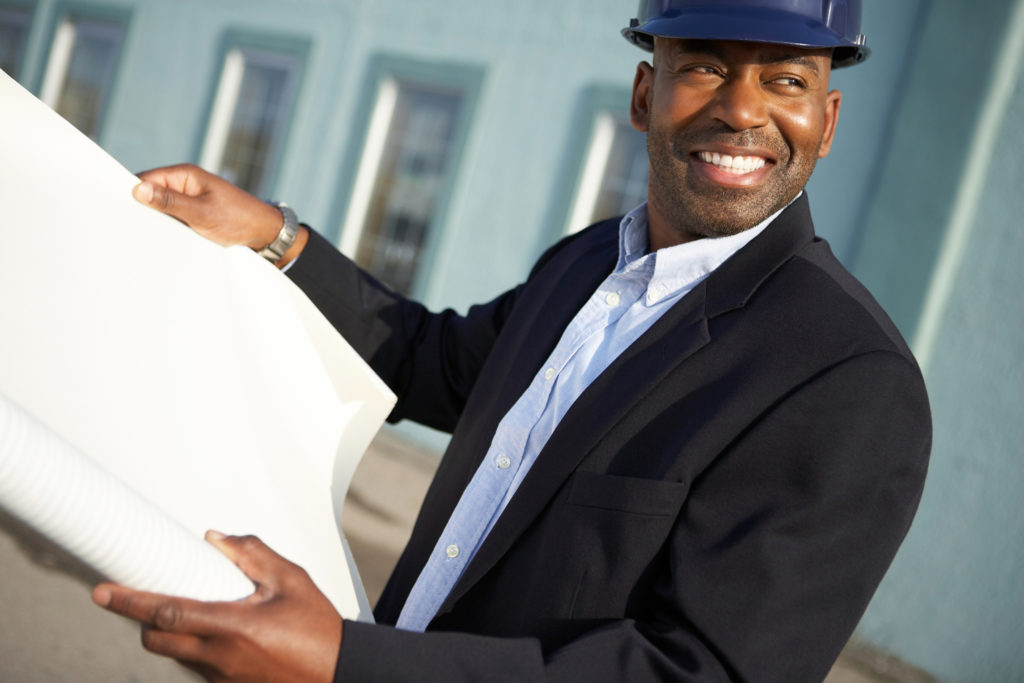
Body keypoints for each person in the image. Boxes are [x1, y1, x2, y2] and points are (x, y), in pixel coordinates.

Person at [92, 2, 932, 681]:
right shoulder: (585, 265)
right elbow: (430, 362)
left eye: (785, 78)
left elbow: (699, 670)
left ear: (825, 122)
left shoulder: (846, 379)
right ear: (646, 94)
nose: (742, 108)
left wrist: (350, 663)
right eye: (705, 64)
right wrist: (275, 237)